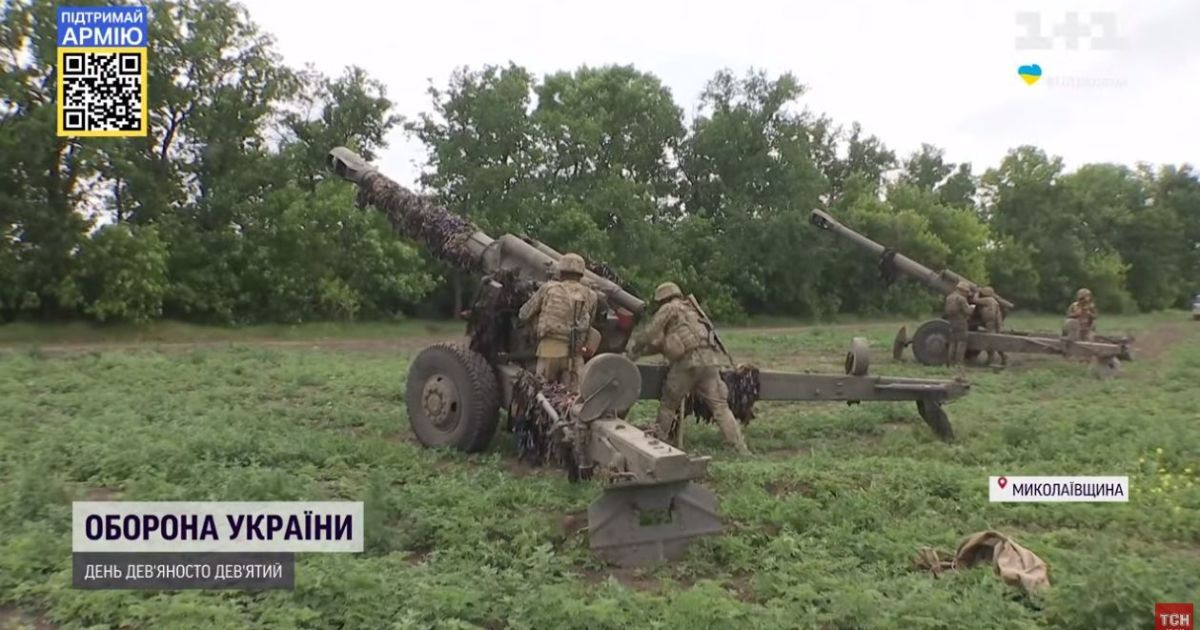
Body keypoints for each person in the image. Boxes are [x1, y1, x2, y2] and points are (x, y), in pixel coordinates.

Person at [628, 282, 750, 455]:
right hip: (709, 361)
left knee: (669, 404)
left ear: (662, 298)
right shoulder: (693, 310)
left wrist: (634, 350)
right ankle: (738, 448)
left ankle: (660, 441)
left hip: (688, 363)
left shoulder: (669, 308)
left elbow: (650, 334)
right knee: (721, 407)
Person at [518, 253, 599, 392]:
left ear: (561, 271)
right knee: (574, 399)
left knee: (543, 394)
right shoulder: (591, 295)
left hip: (549, 351)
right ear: (581, 274)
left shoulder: (548, 288)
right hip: (575, 355)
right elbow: (590, 322)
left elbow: (523, 314)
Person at [944, 280, 973, 367]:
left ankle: (950, 362)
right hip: (961, 322)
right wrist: (972, 307)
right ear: (962, 290)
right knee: (961, 342)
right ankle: (959, 363)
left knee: (952, 342)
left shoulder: (949, 297)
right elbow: (968, 311)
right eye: (966, 292)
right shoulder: (961, 299)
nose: (966, 294)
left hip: (951, 322)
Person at [975, 286, 1007, 366]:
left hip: (990, 323)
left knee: (990, 340)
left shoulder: (988, 300)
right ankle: (1002, 356)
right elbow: (998, 315)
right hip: (994, 323)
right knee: (995, 340)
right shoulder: (994, 301)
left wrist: (977, 292)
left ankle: (991, 359)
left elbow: (975, 300)